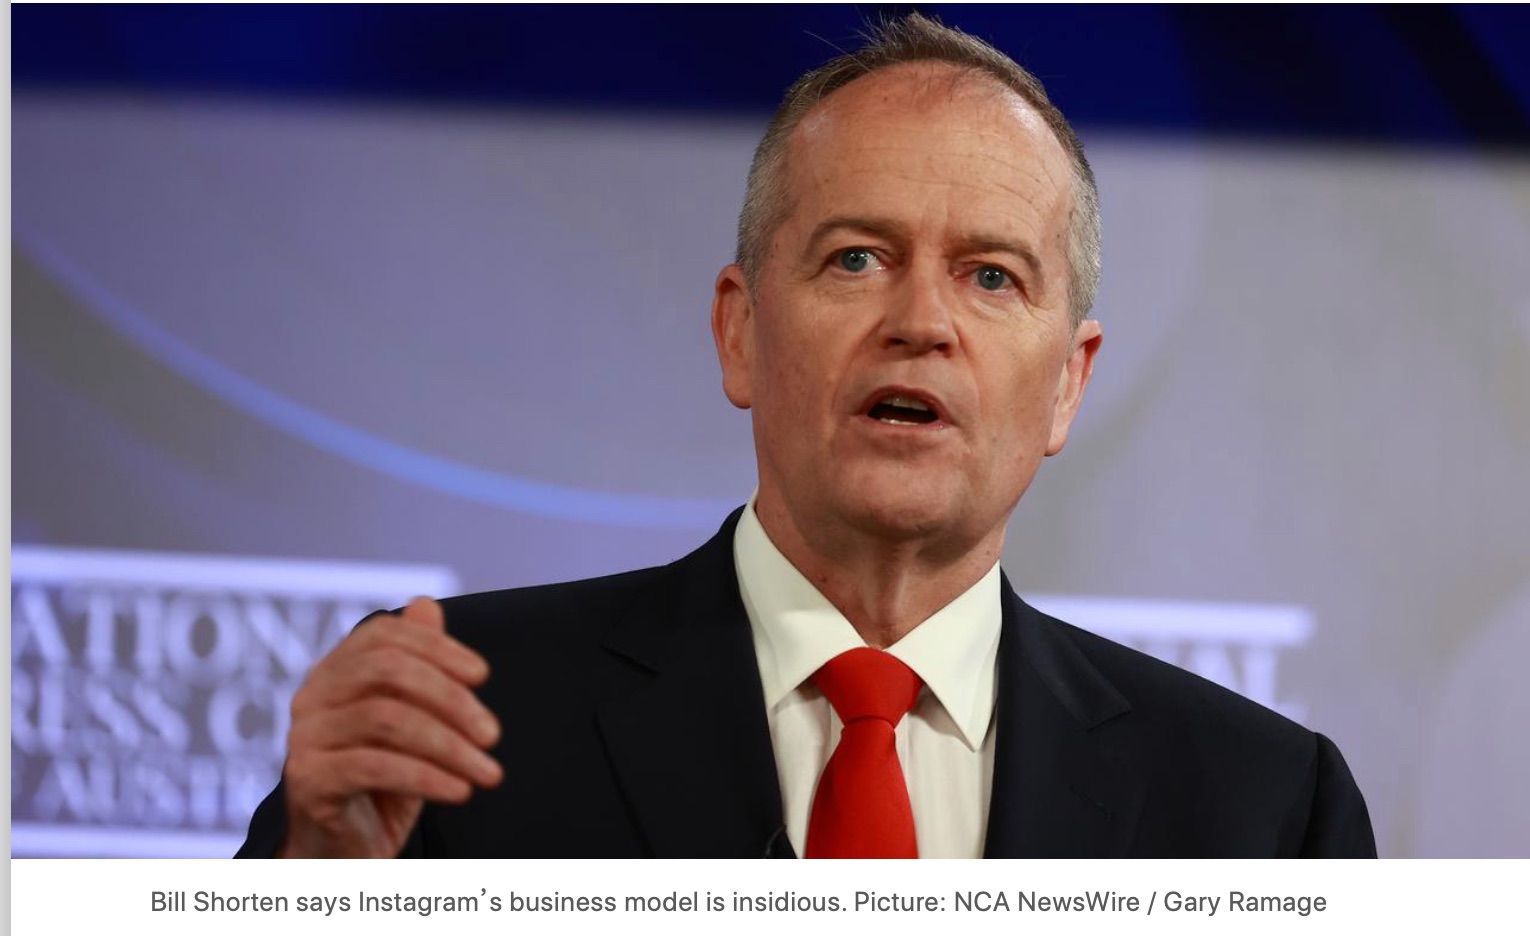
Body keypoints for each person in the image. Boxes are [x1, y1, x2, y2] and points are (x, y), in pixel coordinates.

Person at [238, 14, 1375, 859]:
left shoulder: (1261, 809)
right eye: (856, 259)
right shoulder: (459, 727)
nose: (921, 322)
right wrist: (320, 886)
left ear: (1068, 384)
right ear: (740, 331)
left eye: (990, 276)